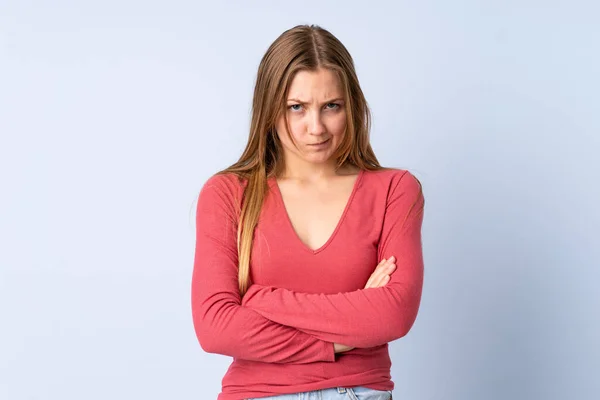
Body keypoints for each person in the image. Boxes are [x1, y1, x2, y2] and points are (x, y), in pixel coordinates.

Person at [191, 24, 425, 400]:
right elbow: (216, 327)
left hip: (358, 393)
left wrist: (264, 300)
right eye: (296, 107)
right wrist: (340, 341)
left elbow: (393, 314)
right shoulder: (228, 194)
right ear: (270, 108)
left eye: (331, 106)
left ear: (351, 106)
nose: (315, 128)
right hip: (256, 394)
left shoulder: (395, 190)